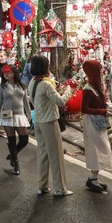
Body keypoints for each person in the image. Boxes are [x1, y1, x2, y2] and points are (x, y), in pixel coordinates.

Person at [29, 54, 73, 197]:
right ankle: (60, 188)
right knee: (56, 156)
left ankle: (42, 185)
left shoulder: (32, 82)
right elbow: (60, 101)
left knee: (42, 154)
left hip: (38, 122)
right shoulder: (46, 84)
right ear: (45, 68)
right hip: (49, 122)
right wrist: (68, 91)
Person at [81, 59, 112, 193]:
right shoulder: (88, 89)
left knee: (101, 148)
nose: (100, 72)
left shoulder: (95, 87)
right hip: (92, 123)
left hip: (98, 122)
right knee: (96, 149)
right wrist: (102, 111)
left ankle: (94, 178)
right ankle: (93, 178)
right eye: (98, 70)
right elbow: (84, 109)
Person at [0, 64, 31, 175]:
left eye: (8, 72)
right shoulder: (2, 87)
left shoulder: (22, 86)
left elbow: (26, 101)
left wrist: (28, 113)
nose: (6, 74)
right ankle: (15, 163)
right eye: (4, 72)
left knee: (24, 140)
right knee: (12, 140)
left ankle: (12, 155)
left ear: (14, 73)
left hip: (20, 115)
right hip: (7, 116)